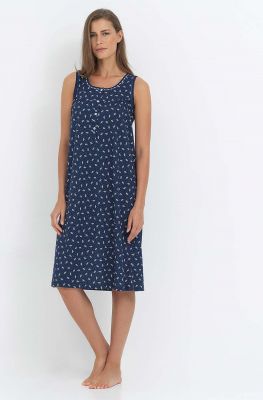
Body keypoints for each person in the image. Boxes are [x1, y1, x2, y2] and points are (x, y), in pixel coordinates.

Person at [50, 8, 151, 390]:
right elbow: (64, 143)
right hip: (80, 193)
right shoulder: (73, 83)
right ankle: (102, 353)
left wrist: (139, 205)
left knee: (122, 282)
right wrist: (61, 197)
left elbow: (142, 151)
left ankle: (114, 365)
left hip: (120, 194)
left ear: (119, 36)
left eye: (105, 33)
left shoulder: (137, 87)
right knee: (66, 280)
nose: (98, 41)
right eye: (93, 35)